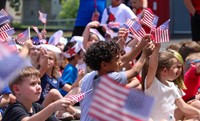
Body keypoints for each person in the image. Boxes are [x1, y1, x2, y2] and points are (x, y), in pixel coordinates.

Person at [80, 36, 155, 121]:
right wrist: (144, 54)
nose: (120, 61)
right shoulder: (110, 79)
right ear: (104, 65)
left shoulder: (89, 77)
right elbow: (135, 72)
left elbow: (122, 61)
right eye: (117, 59)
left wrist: (141, 45)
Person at [143, 43, 200, 120]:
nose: (180, 70)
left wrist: (198, 112)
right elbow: (152, 67)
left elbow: (183, 107)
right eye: (176, 67)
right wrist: (156, 50)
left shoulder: (173, 87)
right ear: (165, 71)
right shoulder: (153, 84)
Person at [2, 66, 72, 121]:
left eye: (39, 83)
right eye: (33, 84)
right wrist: (52, 107)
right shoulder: (14, 109)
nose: (38, 87)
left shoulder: (36, 107)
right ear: (17, 89)